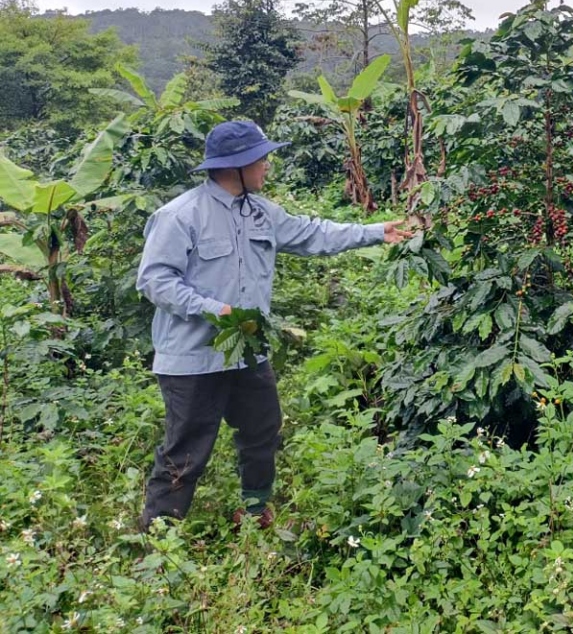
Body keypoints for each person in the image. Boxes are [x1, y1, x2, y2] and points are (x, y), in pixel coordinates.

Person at [136, 120, 413, 530]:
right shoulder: (180, 216)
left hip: (247, 353)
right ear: (238, 166)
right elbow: (155, 280)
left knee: (262, 431)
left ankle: (254, 511)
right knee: (186, 449)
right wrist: (215, 310)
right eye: (261, 159)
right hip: (193, 358)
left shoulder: (261, 212)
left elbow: (313, 234)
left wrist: (376, 232)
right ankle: (157, 539)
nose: (267, 165)